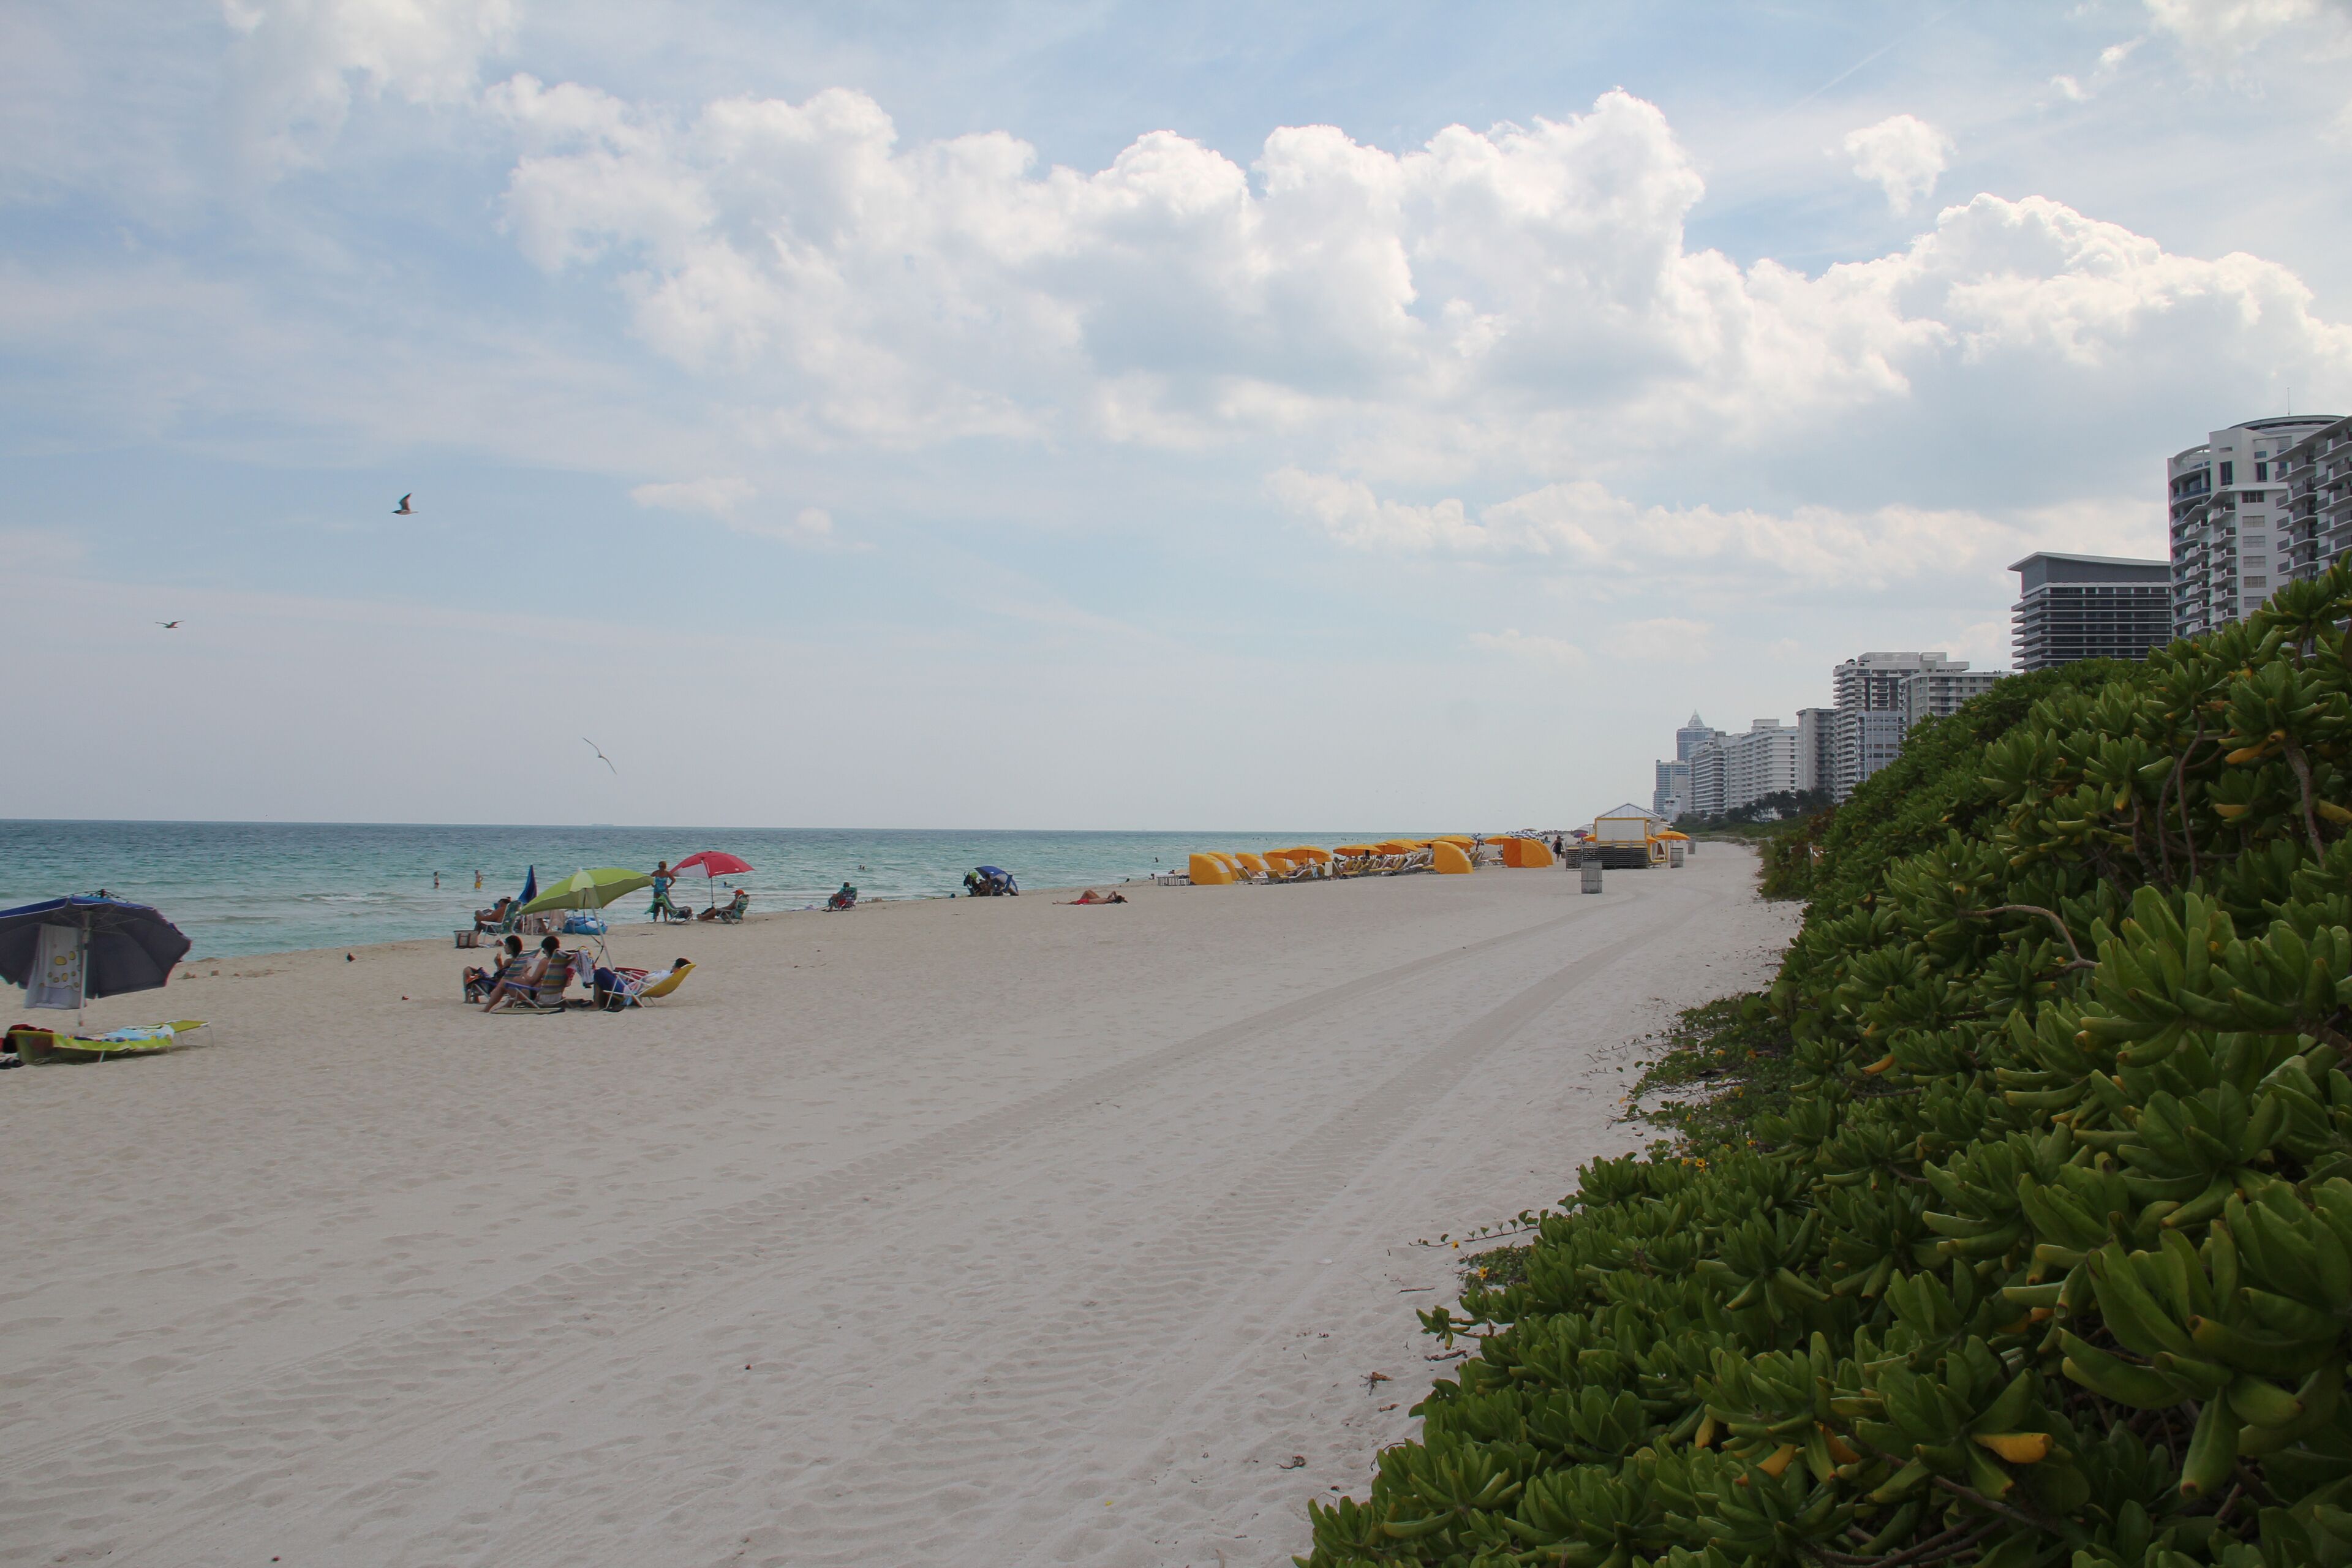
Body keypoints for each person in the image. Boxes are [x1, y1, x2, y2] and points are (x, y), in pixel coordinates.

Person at [483, 935, 562, 1012]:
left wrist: (524, 973)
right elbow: (566, 983)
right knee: (515, 979)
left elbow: (532, 982)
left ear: (547, 949)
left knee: (504, 983)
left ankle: (486, 1009)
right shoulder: (561, 962)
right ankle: (508, 1004)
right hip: (556, 996)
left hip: (539, 996)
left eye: (544, 950)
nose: (544, 952)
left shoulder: (545, 962)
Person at [464, 935, 527, 1003]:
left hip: (493, 986)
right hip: (508, 985)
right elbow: (504, 975)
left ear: (511, 947)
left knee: (467, 970)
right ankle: (475, 999)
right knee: (476, 975)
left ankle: (467, 999)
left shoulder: (509, 961)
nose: (504, 947)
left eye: (506, 945)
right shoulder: (522, 960)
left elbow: (499, 978)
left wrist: (498, 964)